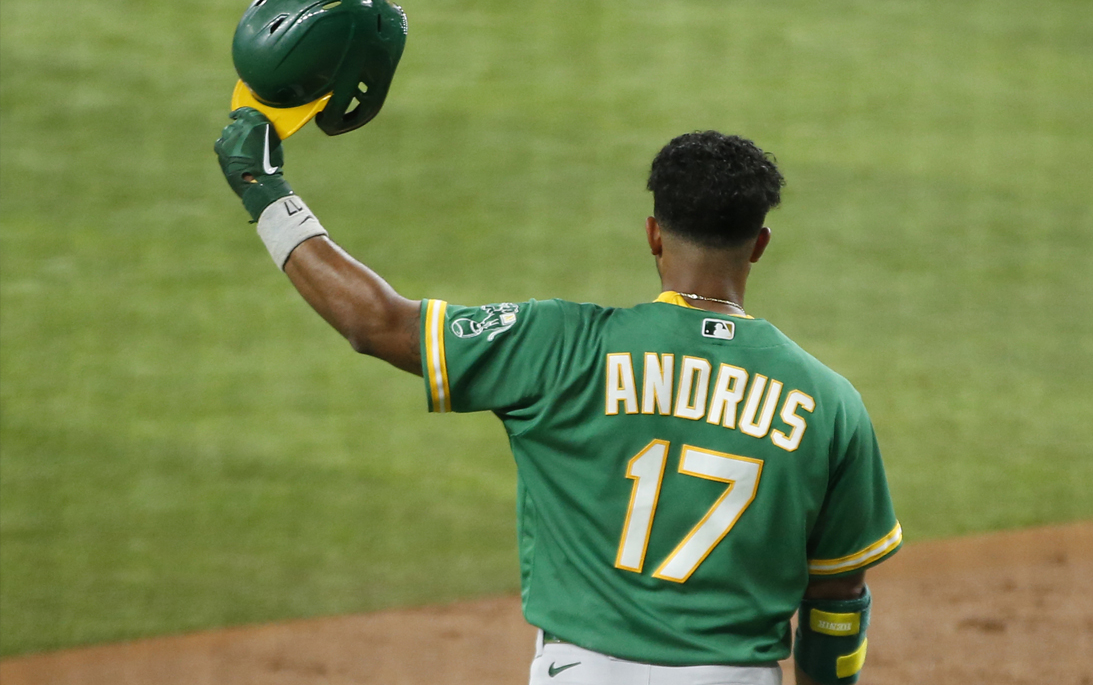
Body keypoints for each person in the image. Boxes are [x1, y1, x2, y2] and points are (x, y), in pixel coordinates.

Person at [215, 110, 902, 685]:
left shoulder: (558, 345)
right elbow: (837, 603)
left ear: (654, 234)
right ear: (758, 245)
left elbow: (377, 323)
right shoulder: (829, 402)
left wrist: (264, 189)